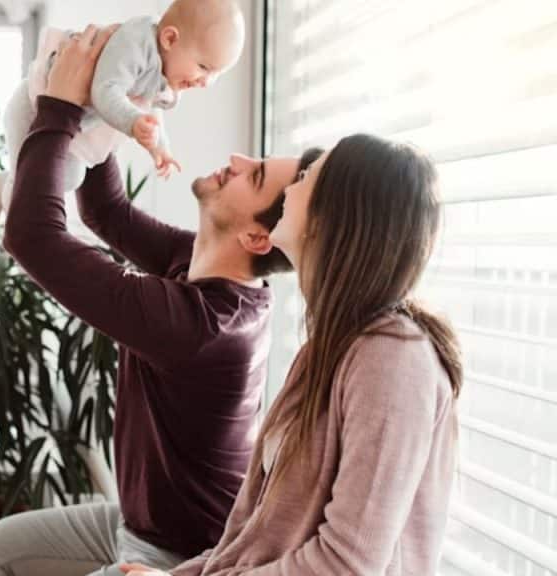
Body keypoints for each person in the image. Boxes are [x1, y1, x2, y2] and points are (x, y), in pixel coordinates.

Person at [0, 25, 321, 576]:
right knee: (1, 549)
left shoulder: (200, 327)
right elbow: (106, 212)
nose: (235, 158)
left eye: (252, 175)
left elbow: (31, 237)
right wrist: (100, 107)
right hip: (141, 521)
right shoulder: (205, 268)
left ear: (258, 239)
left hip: (180, 555)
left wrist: (60, 107)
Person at [121, 135, 462, 576]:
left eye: (306, 177)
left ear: (329, 217)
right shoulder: (325, 352)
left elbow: (347, 565)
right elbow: (247, 541)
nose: (293, 185)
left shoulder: (394, 360)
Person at [0, 0, 246, 229]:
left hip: (64, 119)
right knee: (26, 186)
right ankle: (0, 193)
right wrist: (133, 122)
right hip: (30, 104)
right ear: (170, 38)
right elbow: (104, 91)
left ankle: (1, 184)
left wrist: (160, 148)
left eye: (216, 75)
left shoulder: (162, 66)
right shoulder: (135, 43)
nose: (206, 82)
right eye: (204, 67)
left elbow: (150, 110)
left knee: (71, 178)